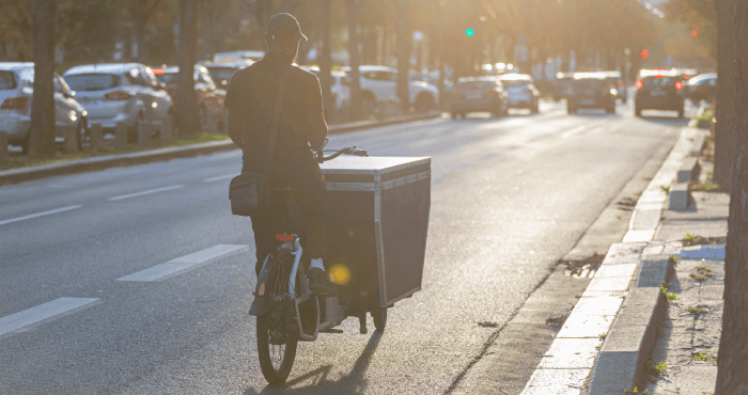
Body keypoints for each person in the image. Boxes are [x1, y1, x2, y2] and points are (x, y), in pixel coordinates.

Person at [224, 13, 336, 296]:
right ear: (296, 43)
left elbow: (232, 129)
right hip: (299, 172)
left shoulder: (242, 78)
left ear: (267, 41)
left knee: (264, 236)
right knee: (320, 204)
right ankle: (317, 267)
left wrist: (256, 152)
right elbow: (318, 136)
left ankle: (265, 283)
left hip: (256, 173)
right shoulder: (307, 81)